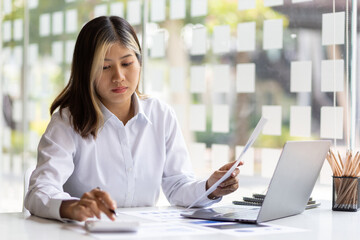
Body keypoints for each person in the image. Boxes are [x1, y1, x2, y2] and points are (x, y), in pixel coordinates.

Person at [24, 16, 242, 222]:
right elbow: (40, 190)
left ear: (139, 63)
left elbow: (177, 185)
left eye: (127, 63)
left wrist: (211, 187)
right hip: (88, 232)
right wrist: (71, 207)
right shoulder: (68, 121)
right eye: (105, 67)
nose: (118, 76)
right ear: (86, 71)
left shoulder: (161, 115)